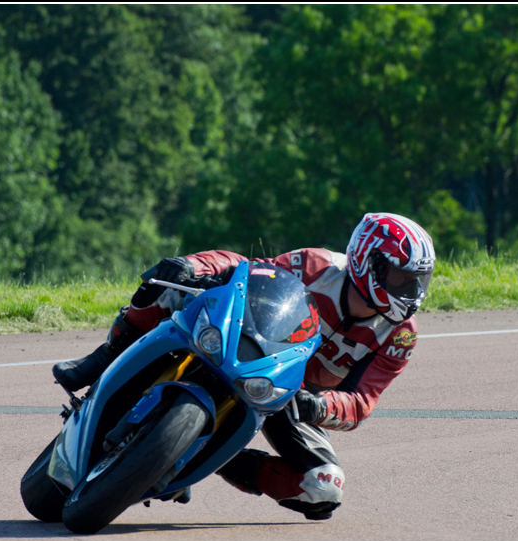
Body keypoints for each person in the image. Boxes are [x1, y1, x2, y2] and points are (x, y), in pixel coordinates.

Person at [53, 213, 435, 521]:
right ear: (367, 262)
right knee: (168, 283)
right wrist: (194, 265)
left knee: (324, 487)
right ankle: (107, 353)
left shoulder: (400, 335)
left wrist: (319, 406)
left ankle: (211, 456)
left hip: (292, 394)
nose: (410, 292)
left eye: (417, 281)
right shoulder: (317, 266)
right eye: (400, 277)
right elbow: (250, 270)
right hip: (245, 344)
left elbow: (362, 401)